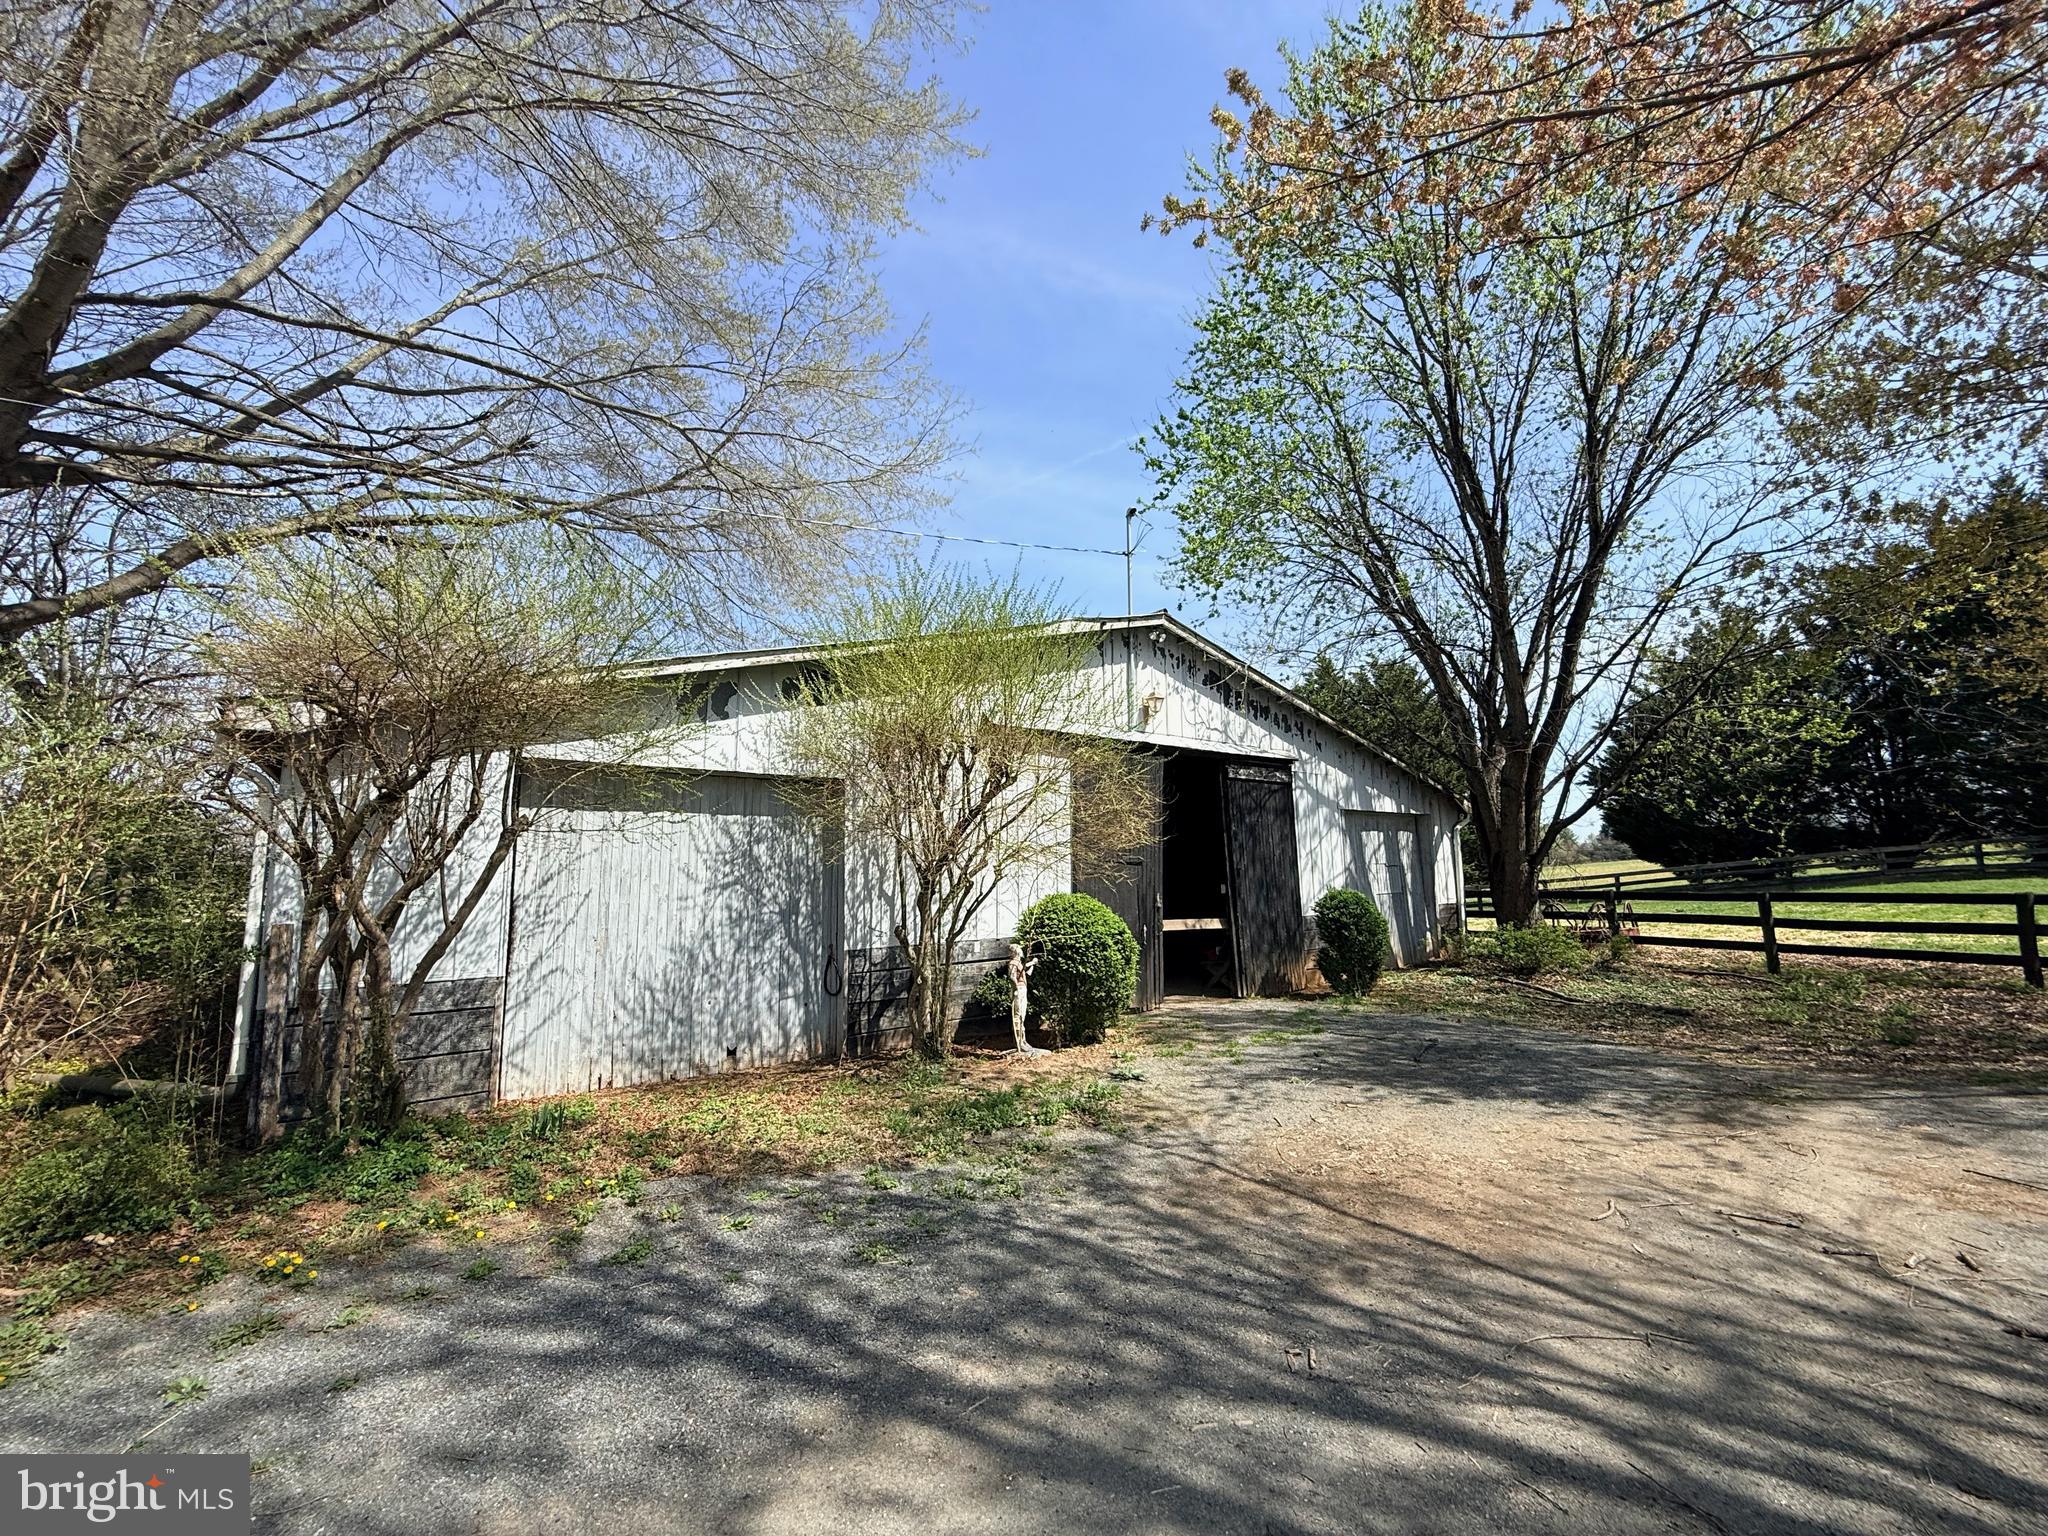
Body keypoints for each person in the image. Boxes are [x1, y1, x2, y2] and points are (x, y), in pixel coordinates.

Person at [1006, 942, 1045, 1057]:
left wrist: (1032, 963)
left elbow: (1027, 973)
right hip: (1019, 990)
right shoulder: (1013, 963)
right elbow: (1012, 976)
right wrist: (1016, 988)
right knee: (1017, 1016)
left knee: (1022, 1016)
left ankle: (1023, 1041)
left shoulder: (1019, 963)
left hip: (1023, 989)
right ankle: (1019, 1043)